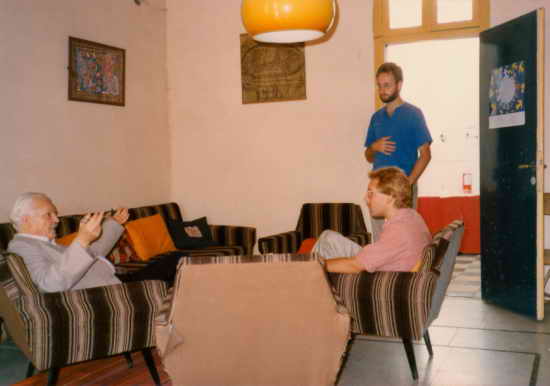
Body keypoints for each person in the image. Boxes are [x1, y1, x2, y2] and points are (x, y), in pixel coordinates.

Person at [7, 192, 182, 293]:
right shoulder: (22, 247)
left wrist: (114, 223)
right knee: (180, 265)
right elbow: (50, 284)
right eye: (49, 214)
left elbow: (93, 253)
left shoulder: (44, 243)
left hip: (112, 280)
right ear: (26, 220)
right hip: (106, 293)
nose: (57, 220)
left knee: (177, 259)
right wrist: (82, 240)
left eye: (55, 214)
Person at [312, 167, 431, 274]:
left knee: (313, 261)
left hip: (377, 278)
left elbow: (355, 266)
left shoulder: (399, 229)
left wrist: (318, 265)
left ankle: (305, 283)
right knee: (329, 237)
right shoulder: (412, 216)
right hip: (386, 264)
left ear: (390, 196)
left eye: (371, 193)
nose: (365, 198)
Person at [364, 62, 432, 241]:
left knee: (405, 238)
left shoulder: (414, 114)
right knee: (380, 240)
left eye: (387, 85)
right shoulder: (376, 118)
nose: (382, 90)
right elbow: (367, 156)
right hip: (378, 188)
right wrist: (374, 147)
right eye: (379, 85)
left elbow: (426, 155)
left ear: (399, 85)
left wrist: (408, 184)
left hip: (402, 188)